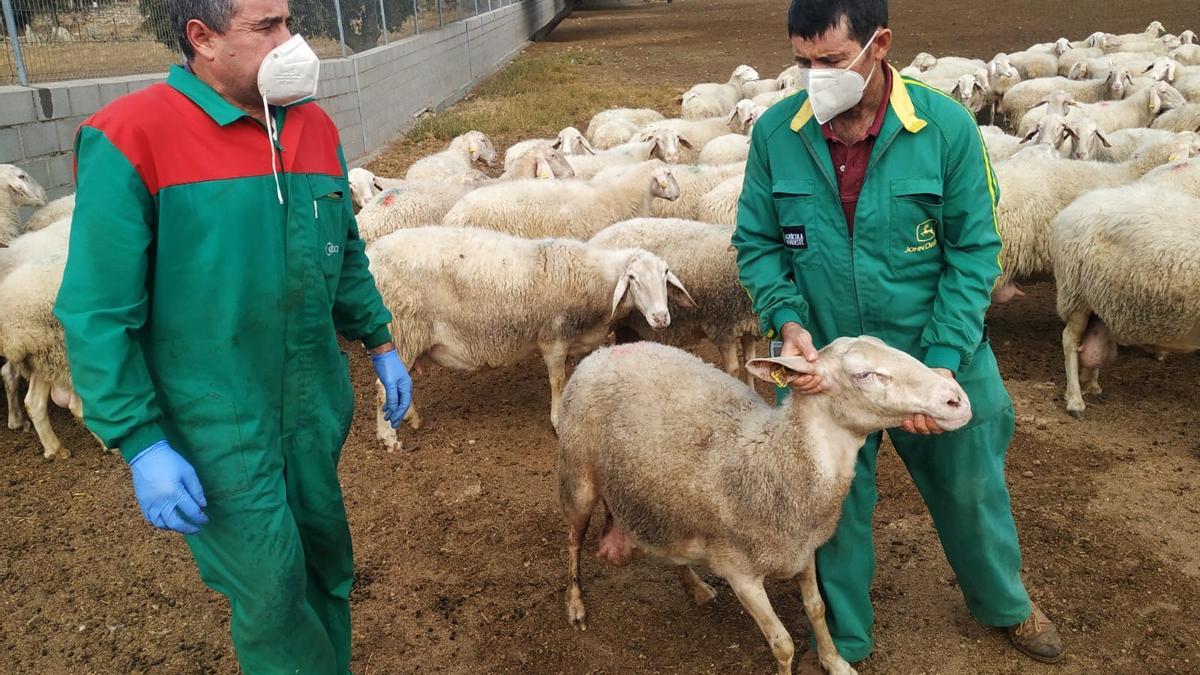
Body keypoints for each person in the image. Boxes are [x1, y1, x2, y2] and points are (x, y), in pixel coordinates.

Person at [53, 0, 413, 671]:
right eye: (266, 27)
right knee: (272, 593)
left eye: (289, 21)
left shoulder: (313, 127)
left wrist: (381, 340)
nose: (291, 42)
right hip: (216, 421)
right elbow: (97, 310)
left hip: (312, 405)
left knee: (327, 564)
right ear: (203, 38)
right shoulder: (131, 136)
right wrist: (140, 440)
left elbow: (346, 249)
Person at [732, 0, 1065, 669]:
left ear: (879, 44)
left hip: (934, 346)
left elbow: (975, 250)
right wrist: (786, 320)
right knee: (825, 496)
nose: (812, 77)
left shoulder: (943, 128)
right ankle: (845, 636)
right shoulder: (777, 133)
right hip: (826, 355)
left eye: (829, 61)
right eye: (801, 61)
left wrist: (939, 364)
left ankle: (1005, 602)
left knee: (970, 479)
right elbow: (758, 242)